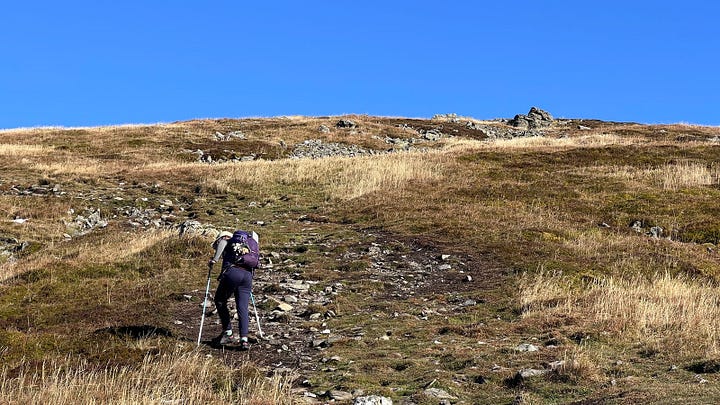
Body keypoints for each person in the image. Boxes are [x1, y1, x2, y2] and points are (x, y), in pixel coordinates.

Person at [208, 230, 258, 349]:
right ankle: (244, 339)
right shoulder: (248, 245)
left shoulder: (227, 241)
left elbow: (221, 246)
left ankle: (228, 333)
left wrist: (213, 260)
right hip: (247, 276)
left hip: (233, 273)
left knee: (220, 300)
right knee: (242, 307)